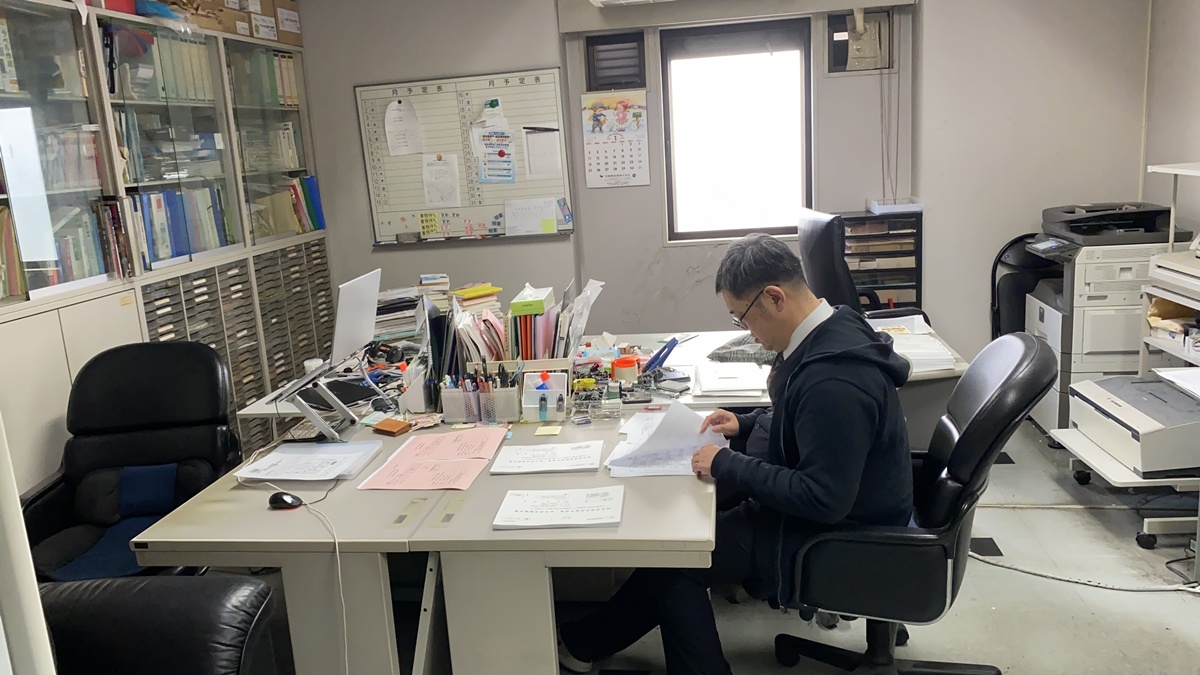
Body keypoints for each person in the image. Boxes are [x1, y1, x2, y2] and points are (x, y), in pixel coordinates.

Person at [558, 233, 914, 675]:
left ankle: (588, 644)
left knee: (677, 560)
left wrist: (729, 463)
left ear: (774, 297)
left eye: (742, 317)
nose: (748, 333)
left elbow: (824, 498)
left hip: (838, 534)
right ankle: (584, 643)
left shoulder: (835, 382)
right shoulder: (834, 326)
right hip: (848, 505)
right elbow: (802, 421)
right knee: (688, 525)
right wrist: (746, 424)